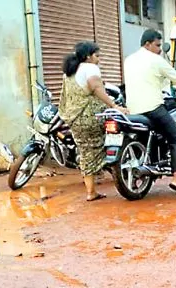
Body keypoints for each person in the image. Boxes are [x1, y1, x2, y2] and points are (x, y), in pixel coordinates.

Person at [125, 29, 176, 199]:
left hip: (133, 109)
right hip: (153, 107)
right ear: (147, 44)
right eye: (157, 45)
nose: (159, 49)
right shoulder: (156, 60)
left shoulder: (129, 60)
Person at [59, 41, 125, 202]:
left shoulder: (69, 72)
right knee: (115, 137)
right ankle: (116, 168)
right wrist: (115, 105)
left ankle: (91, 192)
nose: (99, 60)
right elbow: (96, 88)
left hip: (75, 118)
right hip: (92, 116)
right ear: (88, 56)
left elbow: (66, 97)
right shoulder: (90, 68)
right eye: (97, 56)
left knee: (85, 152)